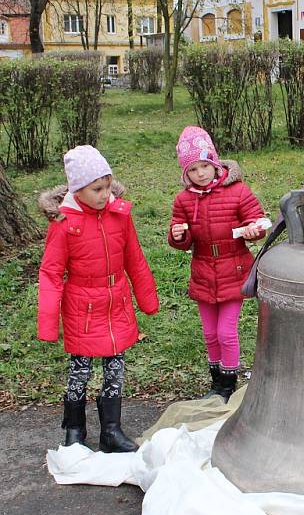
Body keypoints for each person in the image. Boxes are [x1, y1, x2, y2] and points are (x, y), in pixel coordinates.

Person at [38, 145, 159, 452]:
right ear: (78, 189)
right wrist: (49, 323)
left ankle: (111, 430)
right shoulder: (65, 224)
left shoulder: (120, 215)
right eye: (97, 189)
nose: (105, 194)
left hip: (116, 301)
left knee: (115, 369)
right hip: (83, 306)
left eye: (107, 187)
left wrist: (147, 299)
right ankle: (75, 430)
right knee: (80, 370)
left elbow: (135, 258)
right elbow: (51, 273)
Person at [168, 126, 267, 401]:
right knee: (210, 333)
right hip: (203, 272)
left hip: (234, 270)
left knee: (226, 332)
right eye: (192, 170)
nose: (200, 174)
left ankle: (228, 384)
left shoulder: (237, 191)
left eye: (204, 166)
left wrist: (253, 230)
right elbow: (181, 238)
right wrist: (178, 234)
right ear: (185, 173)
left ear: (214, 162)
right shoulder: (184, 199)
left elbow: (258, 223)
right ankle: (216, 383)